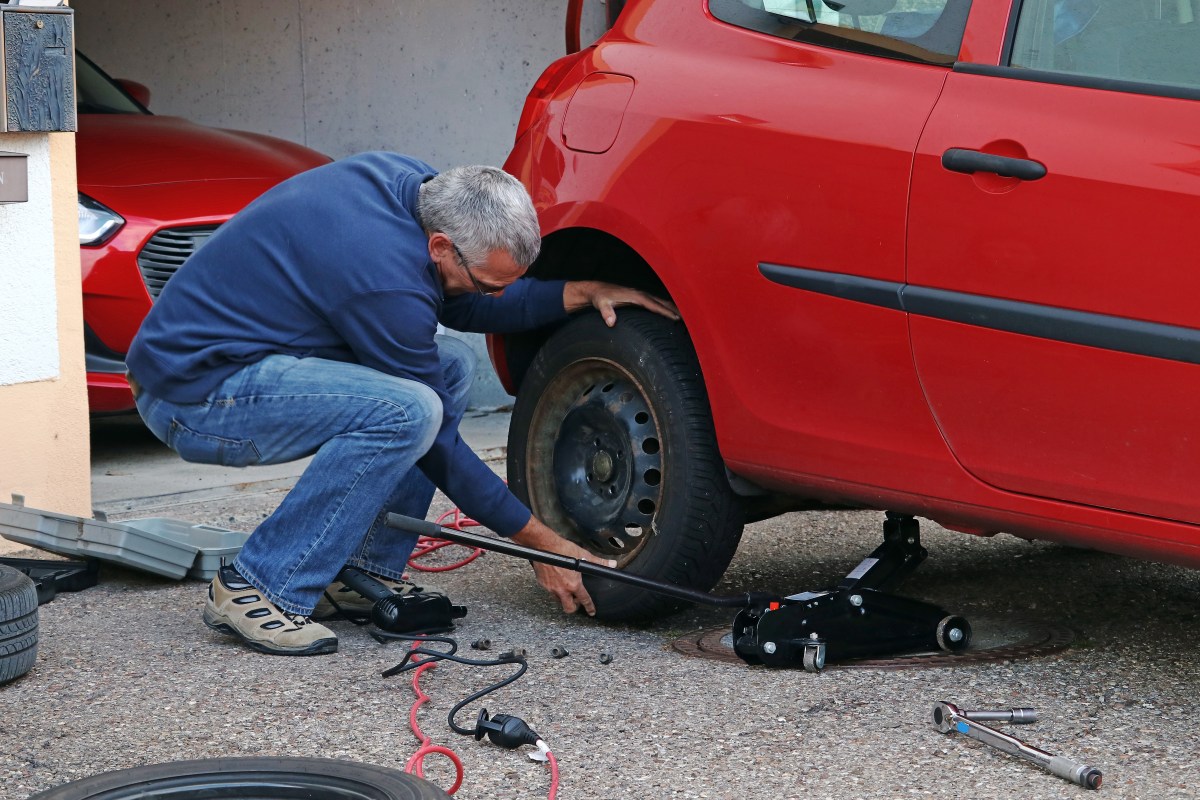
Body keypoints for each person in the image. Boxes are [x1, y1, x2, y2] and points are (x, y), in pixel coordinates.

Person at [126, 152, 678, 656]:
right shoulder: (381, 275)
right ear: (441, 246)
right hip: (195, 397)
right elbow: (438, 448)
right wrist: (542, 543)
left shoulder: (413, 191)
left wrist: (581, 292)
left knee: (451, 368)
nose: (488, 296)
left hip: (248, 362)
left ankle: (360, 569)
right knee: (409, 411)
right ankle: (259, 584)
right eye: (485, 283)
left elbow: (460, 304)